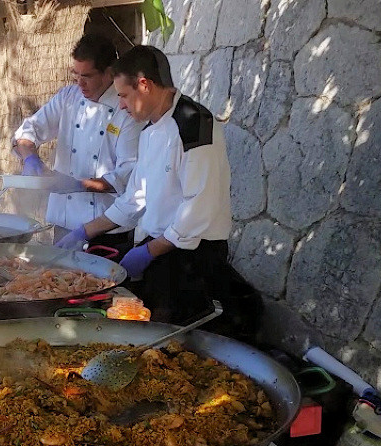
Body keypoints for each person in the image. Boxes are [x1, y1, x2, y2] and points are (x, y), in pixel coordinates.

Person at [56, 45, 260, 330]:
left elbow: (200, 204)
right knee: (149, 335)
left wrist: (150, 251)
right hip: (158, 252)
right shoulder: (151, 129)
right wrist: (84, 232)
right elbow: (134, 199)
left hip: (191, 258)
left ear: (144, 85)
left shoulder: (193, 123)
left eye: (124, 96)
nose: (122, 105)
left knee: (180, 343)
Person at [12, 33, 143, 252]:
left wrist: (75, 185)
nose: (80, 83)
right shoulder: (68, 98)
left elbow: (127, 175)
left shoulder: (126, 111)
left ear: (109, 73)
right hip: (64, 221)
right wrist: (30, 158)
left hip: (106, 228)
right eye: (76, 75)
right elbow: (29, 131)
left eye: (88, 76)